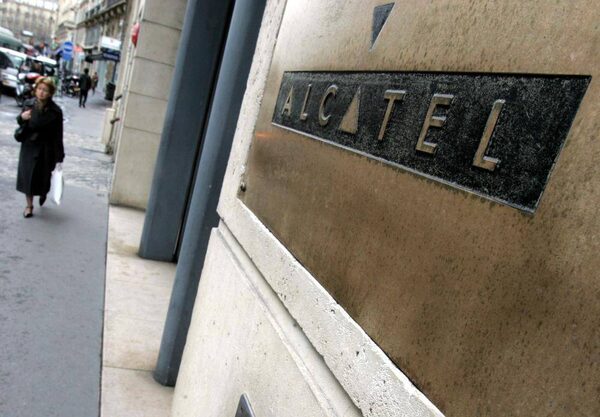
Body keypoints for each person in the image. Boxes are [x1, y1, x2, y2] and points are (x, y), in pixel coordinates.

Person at [16, 77, 64, 218]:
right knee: (28, 177)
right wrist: (22, 117)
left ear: (50, 93)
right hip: (29, 146)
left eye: (45, 90)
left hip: (46, 148)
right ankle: (29, 206)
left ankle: (43, 192)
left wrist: (59, 155)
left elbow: (58, 134)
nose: (42, 92)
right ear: (36, 90)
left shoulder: (56, 111)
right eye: (40, 89)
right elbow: (20, 122)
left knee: (43, 178)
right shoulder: (29, 104)